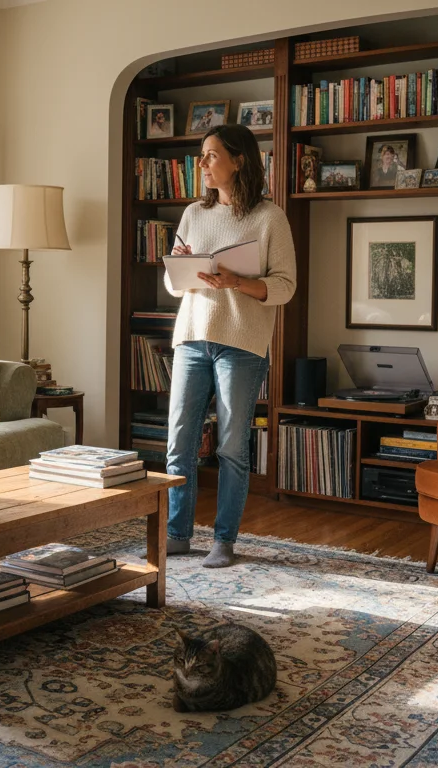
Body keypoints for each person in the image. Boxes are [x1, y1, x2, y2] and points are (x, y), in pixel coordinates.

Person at [163, 124, 296, 568]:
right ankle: (177, 534)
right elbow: (172, 283)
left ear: (239, 160)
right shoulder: (193, 214)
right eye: (201, 155)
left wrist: (236, 282)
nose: (202, 163)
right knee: (179, 443)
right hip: (192, 339)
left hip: (241, 343)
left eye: (211, 155)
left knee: (231, 446)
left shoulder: (269, 217)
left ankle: (224, 540)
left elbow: (285, 287)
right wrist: (180, 268)